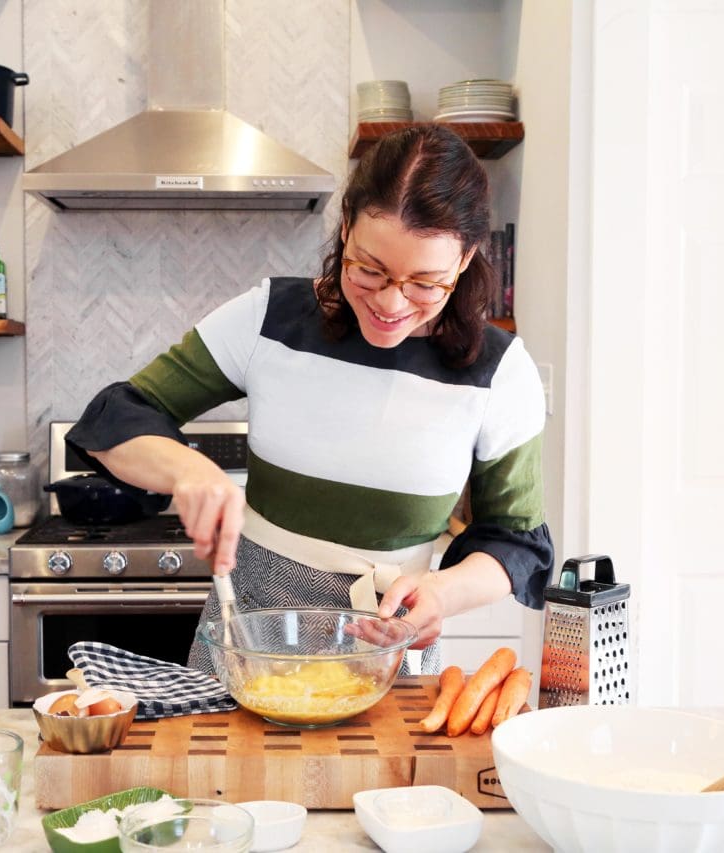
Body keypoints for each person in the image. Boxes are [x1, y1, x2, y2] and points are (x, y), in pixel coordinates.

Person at [66, 124, 554, 675]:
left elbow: (517, 542)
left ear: (465, 259)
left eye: (424, 282)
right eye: (370, 270)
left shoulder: (501, 373)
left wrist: (443, 593)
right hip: (243, 649)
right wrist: (184, 469)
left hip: (388, 658)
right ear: (345, 228)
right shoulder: (269, 319)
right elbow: (115, 415)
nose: (392, 303)